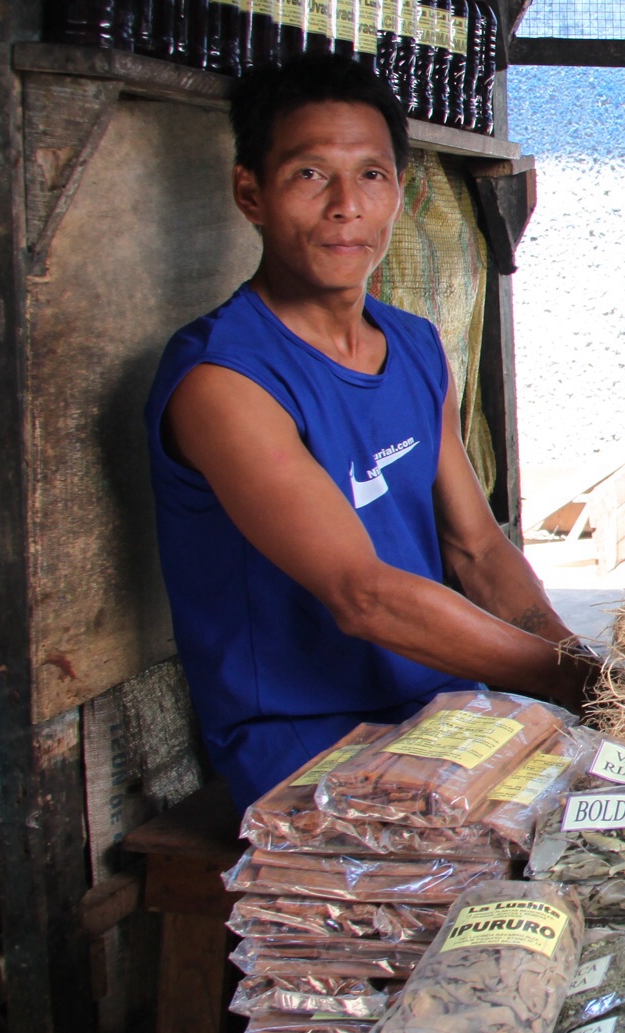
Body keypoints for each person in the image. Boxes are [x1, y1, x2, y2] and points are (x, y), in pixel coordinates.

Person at [146, 56, 595, 806]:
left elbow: (478, 549)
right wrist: (564, 678)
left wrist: (575, 660)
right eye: (310, 176)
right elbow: (363, 596)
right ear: (249, 192)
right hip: (304, 741)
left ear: (398, 191)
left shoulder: (415, 346)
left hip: (443, 713)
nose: (346, 207)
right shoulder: (223, 379)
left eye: (372, 176)